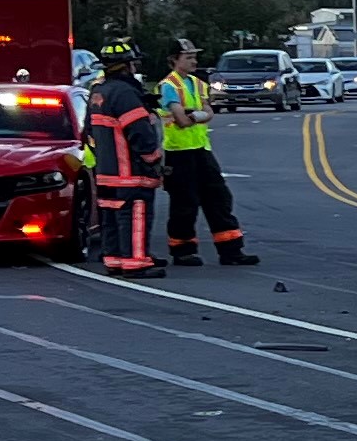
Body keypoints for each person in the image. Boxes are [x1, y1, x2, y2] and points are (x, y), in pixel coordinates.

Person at [155, 39, 257, 267]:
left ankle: (231, 251)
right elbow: (181, 120)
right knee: (185, 203)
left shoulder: (197, 83)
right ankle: (182, 251)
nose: (194, 61)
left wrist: (194, 115)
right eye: (188, 57)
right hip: (179, 153)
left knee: (219, 198)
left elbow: (209, 112)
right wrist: (195, 115)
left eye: (194, 56)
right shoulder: (168, 86)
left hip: (201, 150)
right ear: (174, 60)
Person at [89, 50, 166, 275]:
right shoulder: (124, 93)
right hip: (130, 172)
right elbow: (140, 133)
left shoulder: (98, 92)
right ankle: (135, 263)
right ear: (126, 66)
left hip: (106, 171)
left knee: (112, 217)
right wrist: (153, 160)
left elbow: (90, 132)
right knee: (135, 215)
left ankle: (114, 260)